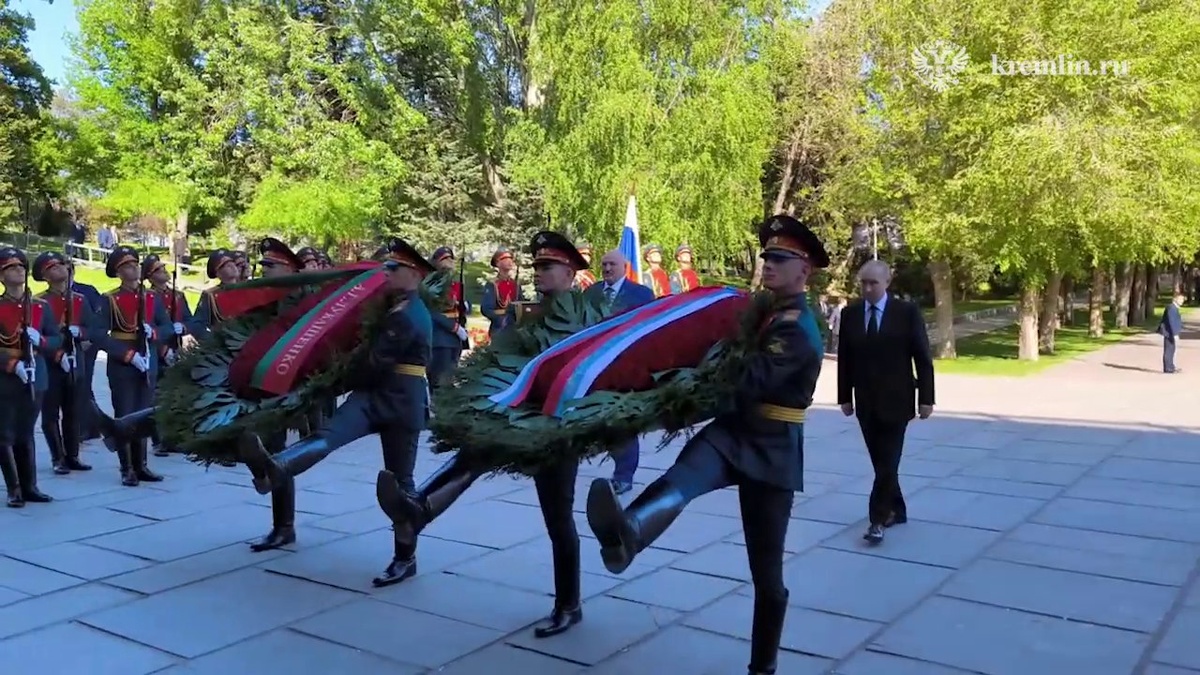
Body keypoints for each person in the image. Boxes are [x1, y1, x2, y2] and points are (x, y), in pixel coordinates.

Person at [584, 214, 827, 675]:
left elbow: (747, 380)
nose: (768, 264)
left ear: (804, 270)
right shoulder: (765, 311)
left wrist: (677, 394)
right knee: (681, 478)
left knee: (766, 573)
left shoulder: (798, 327)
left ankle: (763, 666)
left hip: (772, 447)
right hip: (732, 431)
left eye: (780, 259)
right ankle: (628, 531)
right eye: (767, 257)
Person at [376, 230, 592, 639]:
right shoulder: (528, 313)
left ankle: (569, 605)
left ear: (570, 272)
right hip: (515, 416)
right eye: (537, 266)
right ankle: (417, 510)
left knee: (558, 518)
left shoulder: (586, 316)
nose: (538, 273)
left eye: (547, 266)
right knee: (472, 455)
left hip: (557, 428)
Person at [239, 237, 434, 587]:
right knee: (328, 435)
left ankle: (405, 558)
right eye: (388, 267)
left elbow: (373, 363)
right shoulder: (393, 305)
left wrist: (327, 380)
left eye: (395, 268)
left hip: (400, 400)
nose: (388, 273)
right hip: (372, 395)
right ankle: (275, 468)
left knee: (399, 482)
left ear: (415, 275)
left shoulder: (407, 316)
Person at [837, 260, 935, 544]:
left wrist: (926, 398)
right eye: (863, 283)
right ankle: (897, 509)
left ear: (887, 283)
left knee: (888, 462)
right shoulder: (850, 314)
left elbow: (922, 357)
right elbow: (845, 358)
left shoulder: (906, 312)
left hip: (897, 400)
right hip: (865, 402)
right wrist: (844, 396)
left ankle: (877, 520)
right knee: (882, 462)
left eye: (873, 283)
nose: (867, 288)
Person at [95, 245, 173, 486]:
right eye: (127, 266)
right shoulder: (110, 299)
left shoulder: (152, 297)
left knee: (144, 413)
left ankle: (142, 465)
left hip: (147, 358)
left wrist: (154, 332)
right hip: (123, 363)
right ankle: (126, 467)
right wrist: (127, 355)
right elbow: (99, 334)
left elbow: (167, 326)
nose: (134, 268)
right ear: (118, 272)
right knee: (125, 414)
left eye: (135, 264)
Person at [584, 249, 654, 494]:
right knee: (602, 419)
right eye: (604, 264)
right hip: (596, 366)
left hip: (627, 367)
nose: (607, 269)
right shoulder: (591, 293)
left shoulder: (641, 294)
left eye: (612, 264)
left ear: (625, 267)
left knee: (623, 420)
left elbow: (649, 330)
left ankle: (624, 476)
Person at [0, 247, 60, 507]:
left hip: (37, 373)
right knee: (4, 434)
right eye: (11, 268)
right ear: (1, 276)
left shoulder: (40, 306)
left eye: (21, 267)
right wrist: (12, 364)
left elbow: (56, 339)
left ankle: (30, 486)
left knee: (26, 432)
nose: (18, 271)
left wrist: (41, 340)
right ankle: (14, 489)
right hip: (6, 377)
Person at [32, 251, 94, 474]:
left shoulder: (79, 299)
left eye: (61, 264)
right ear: (45, 276)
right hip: (51, 364)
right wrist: (58, 355)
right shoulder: (40, 302)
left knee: (73, 411)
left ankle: (73, 455)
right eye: (52, 267)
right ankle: (57, 457)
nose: (59, 268)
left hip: (76, 360)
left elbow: (93, 328)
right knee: (50, 413)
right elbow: (36, 338)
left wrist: (81, 332)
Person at [142, 254, 191, 456]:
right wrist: (163, 350)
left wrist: (183, 327)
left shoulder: (177, 295)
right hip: (156, 351)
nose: (164, 271)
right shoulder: (148, 297)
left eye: (163, 267)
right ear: (150, 276)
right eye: (158, 269)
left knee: (175, 396)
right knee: (156, 397)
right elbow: (148, 326)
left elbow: (189, 320)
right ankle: (158, 439)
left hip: (175, 348)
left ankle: (173, 438)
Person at [69, 262, 104, 440]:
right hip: (67, 346)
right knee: (75, 386)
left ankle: (86, 427)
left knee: (83, 384)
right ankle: (93, 425)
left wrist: (88, 338)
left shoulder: (87, 291)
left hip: (87, 344)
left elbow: (98, 318)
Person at [428, 246, 470, 387]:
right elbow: (433, 312)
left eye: (451, 259)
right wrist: (455, 328)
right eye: (445, 259)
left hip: (455, 340)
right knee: (440, 381)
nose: (449, 262)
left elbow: (461, 305)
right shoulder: (432, 286)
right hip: (440, 338)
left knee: (450, 379)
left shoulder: (454, 284)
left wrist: (465, 306)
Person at [188, 249, 242, 340]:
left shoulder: (248, 289)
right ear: (218, 273)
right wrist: (213, 341)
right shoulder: (211, 295)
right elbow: (197, 325)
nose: (232, 266)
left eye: (232, 262)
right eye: (225, 265)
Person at [480, 247, 520, 336]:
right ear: (498, 263)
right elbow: (486, 309)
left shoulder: (516, 285)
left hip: (515, 328)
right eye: (505, 258)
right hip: (499, 328)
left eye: (511, 258)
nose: (509, 261)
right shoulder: (492, 285)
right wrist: (501, 320)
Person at [1158, 294, 1184, 373]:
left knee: (1172, 349)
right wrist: (1175, 333)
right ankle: (1168, 368)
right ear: (1175, 299)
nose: (1182, 301)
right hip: (1169, 332)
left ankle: (1171, 366)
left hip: (1170, 332)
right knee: (1169, 350)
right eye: (1180, 299)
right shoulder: (1171, 308)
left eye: (1182, 300)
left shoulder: (1174, 308)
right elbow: (1171, 321)